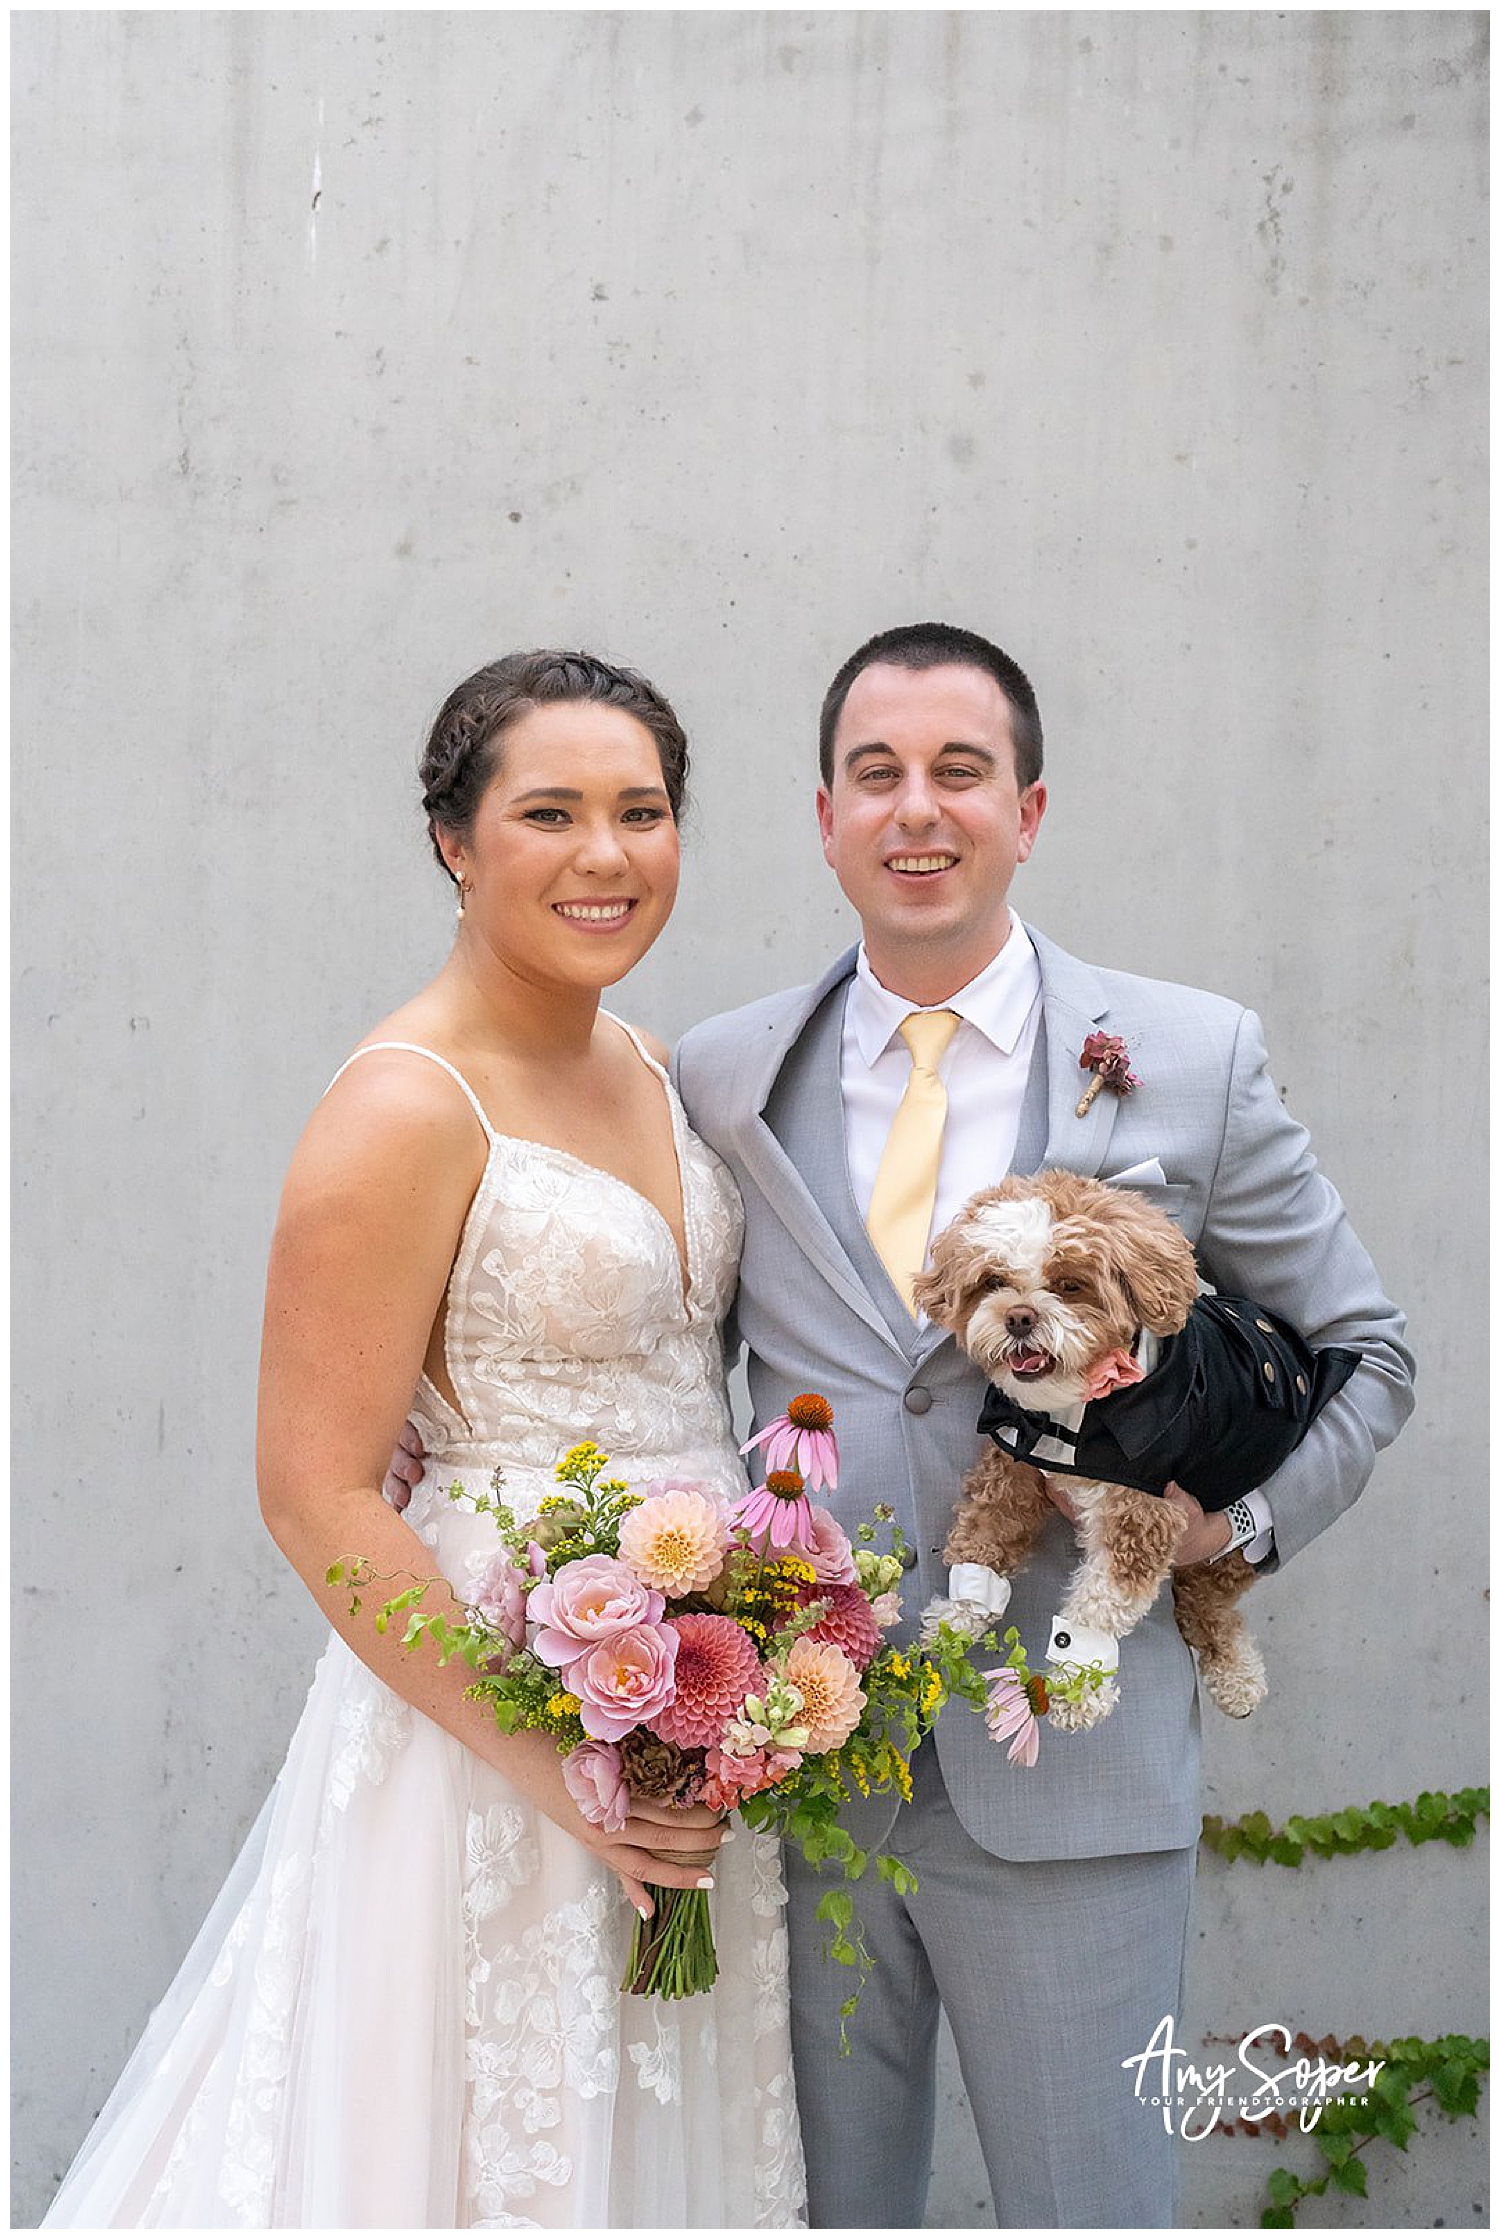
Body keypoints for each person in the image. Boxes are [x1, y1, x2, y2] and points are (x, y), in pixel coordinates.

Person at [44, 651, 806, 2230]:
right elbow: (314, 1490)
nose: (607, 856)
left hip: (687, 1712)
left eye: (643, 812)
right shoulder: (400, 1107)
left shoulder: (658, 1066)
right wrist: (569, 1773)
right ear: (455, 843)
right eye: (551, 813)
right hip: (495, 1727)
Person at [668, 622, 1415, 2228]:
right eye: (876, 775)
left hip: (1074, 1772)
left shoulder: (1188, 1059)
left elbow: (1372, 1351)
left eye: (959, 771)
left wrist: (1228, 1534)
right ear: (823, 816)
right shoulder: (723, 1074)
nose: (916, 810)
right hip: (804, 1770)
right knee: (818, 2213)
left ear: (1031, 806)